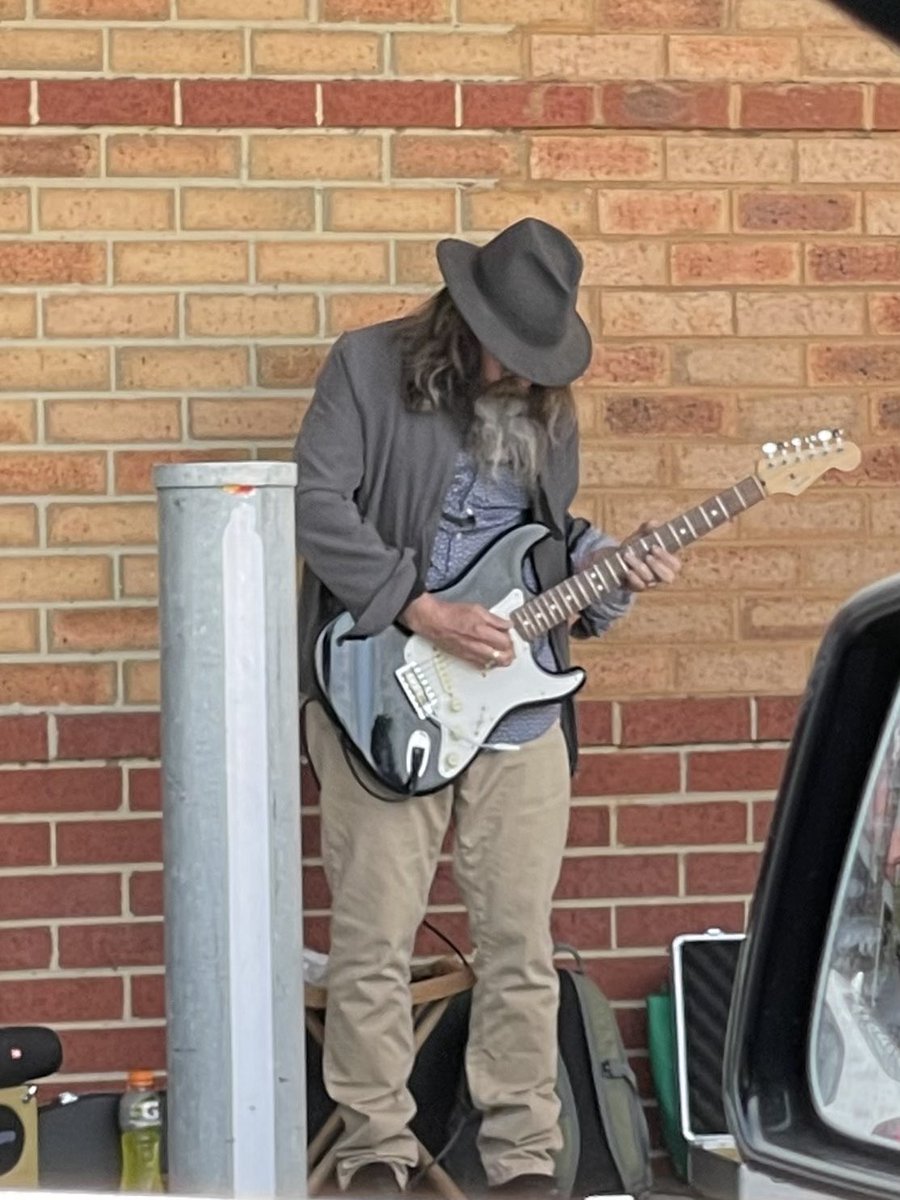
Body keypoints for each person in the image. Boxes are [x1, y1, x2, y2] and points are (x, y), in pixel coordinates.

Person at [293, 218, 682, 1198]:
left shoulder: (551, 409)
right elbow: (314, 502)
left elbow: (544, 548)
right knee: (373, 935)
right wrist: (421, 610)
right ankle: (375, 1146)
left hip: (517, 710)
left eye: (538, 353)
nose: (522, 370)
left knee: (520, 942)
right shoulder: (366, 367)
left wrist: (610, 569)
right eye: (510, 346)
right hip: (383, 689)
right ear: (463, 318)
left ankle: (521, 1158)